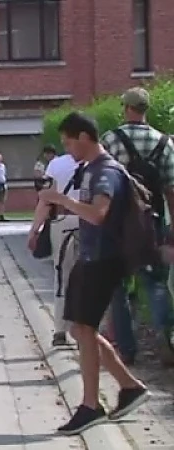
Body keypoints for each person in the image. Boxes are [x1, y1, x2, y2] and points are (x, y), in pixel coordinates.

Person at [39, 111, 148, 436]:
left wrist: (61, 200)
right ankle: (129, 387)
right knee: (78, 329)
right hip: (91, 257)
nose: (67, 148)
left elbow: (99, 214)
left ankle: (90, 405)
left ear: (83, 137)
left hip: (103, 259)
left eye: (68, 141)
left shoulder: (105, 172)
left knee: (84, 329)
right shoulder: (91, 169)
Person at [102, 87, 174, 366]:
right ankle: (165, 338)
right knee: (155, 282)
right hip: (153, 222)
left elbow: (103, 184)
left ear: (125, 108)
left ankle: (127, 350)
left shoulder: (111, 140)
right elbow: (170, 189)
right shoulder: (164, 143)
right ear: (147, 110)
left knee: (117, 287)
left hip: (119, 224)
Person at [29, 146, 81, 347]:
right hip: (91, 223)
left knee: (62, 275)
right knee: (91, 276)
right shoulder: (98, 162)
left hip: (63, 221)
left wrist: (35, 230)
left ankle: (60, 329)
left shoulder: (56, 165)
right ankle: (87, 330)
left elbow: (45, 201)